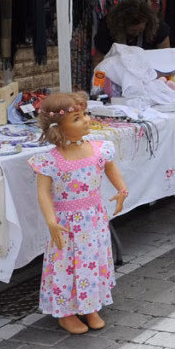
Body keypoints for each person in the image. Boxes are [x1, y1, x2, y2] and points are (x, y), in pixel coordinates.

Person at [29, 92, 128, 335]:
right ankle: (67, 312)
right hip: (66, 224)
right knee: (67, 264)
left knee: (91, 261)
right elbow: (43, 192)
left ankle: (89, 305)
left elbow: (110, 169)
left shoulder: (99, 149)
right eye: (76, 118)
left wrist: (122, 190)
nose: (85, 120)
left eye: (84, 114)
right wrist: (51, 221)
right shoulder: (49, 160)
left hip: (93, 220)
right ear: (57, 128)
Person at [92, 0, 171, 66]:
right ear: (122, 26)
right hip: (118, 71)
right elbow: (98, 60)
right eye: (132, 31)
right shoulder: (107, 29)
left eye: (140, 30)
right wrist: (100, 82)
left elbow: (166, 56)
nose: (136, 33)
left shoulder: (158, 27)